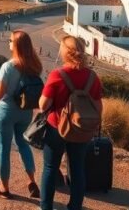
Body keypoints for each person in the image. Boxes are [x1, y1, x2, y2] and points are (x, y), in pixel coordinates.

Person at [39, 36, 103, 210]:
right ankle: (75, 207)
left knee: (50, 167)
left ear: (65, 52)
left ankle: (45, 207)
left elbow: (43, 105)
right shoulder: (92, 77)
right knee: (77, 169)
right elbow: (98, 105)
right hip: (82, 130)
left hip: (57, 127)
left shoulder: (57, 75)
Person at [0, 30, 42, 200]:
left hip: (6, 110)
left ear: (16, 45)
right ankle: (32, 182)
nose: (8, 43)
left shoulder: (8, 66)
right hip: (25, 111)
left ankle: (4, 187)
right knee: (23, 144)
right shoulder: (35, 65)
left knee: (3, 149)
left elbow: (0, 92)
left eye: (10, 40)